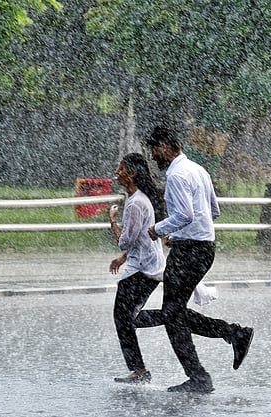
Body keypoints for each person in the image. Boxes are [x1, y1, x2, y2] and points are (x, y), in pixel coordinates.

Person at [145, 125, 254, 393]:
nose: (153, 157)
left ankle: (203, 372)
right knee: (175, 312)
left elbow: (185, 215)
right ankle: (230, 337)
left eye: (154, 152)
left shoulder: (177, 176)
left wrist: (158, 230)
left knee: (172, 314)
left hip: (189, 252)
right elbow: (212, 211)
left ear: (165, 148)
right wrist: (179, 234)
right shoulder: (198, 169)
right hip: (203, 248)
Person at [108, 153, 166, 384]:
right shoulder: (140, 199)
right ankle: (139, 369)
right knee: (126, 317)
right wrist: (123, 259)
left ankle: (139, 370)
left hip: (142, 270)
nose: (117, 172)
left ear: (131, 174)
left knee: (123, 317)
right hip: (144, 265)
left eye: (121, 168)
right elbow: (141, 238)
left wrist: (111, 220)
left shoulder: (135, 203)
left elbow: (126, 240)